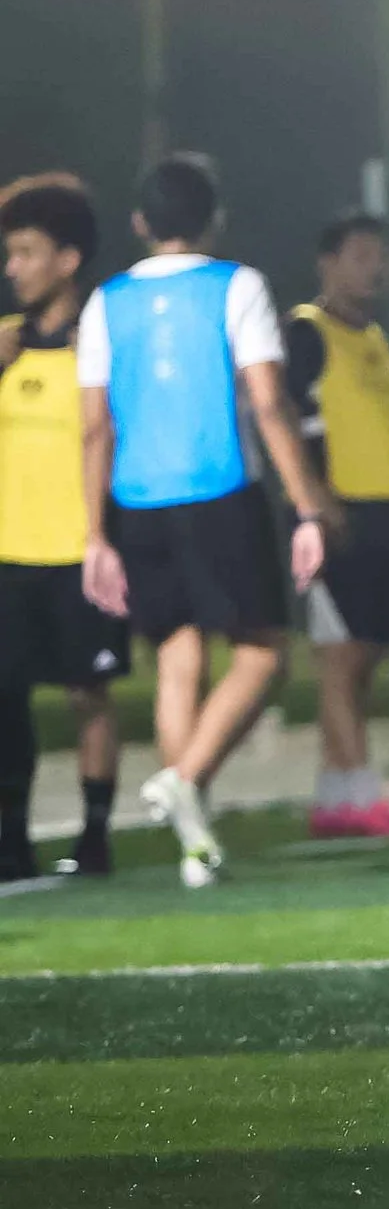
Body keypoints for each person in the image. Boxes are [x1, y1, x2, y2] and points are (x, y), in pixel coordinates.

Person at [77, 153, 334, 888]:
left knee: (177, 660)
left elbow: (94, 427)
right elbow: (268, 402)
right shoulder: (238, 285)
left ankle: (194, 844)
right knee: (264, 653)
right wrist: (308, 507)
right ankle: (185, 779)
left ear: (139, 223)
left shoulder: (105, 302)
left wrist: (95, 535)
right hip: (220, 490)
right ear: (214, 218)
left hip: (136, 501)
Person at [0, 175, 128, 882]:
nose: (12, 268)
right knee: (5, 700)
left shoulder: (101, 349)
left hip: (81, 551)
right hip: (9, 555)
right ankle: (10, 842)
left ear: (68, 259)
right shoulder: (5, 346)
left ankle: (95, 835)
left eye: (26, 253)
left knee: (88, 694)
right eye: (10, 254)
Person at [284, 213, 389, 838]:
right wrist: (314, 501)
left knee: (364, 655)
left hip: (386, 509)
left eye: (381, 257)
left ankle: (335, 796)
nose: (376, 269)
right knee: (338, 656)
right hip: (335, 512)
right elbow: (282, 419)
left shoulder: (377, 339)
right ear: (328, 263)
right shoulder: (306, 332)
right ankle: (366, 792)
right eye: (361, 256)